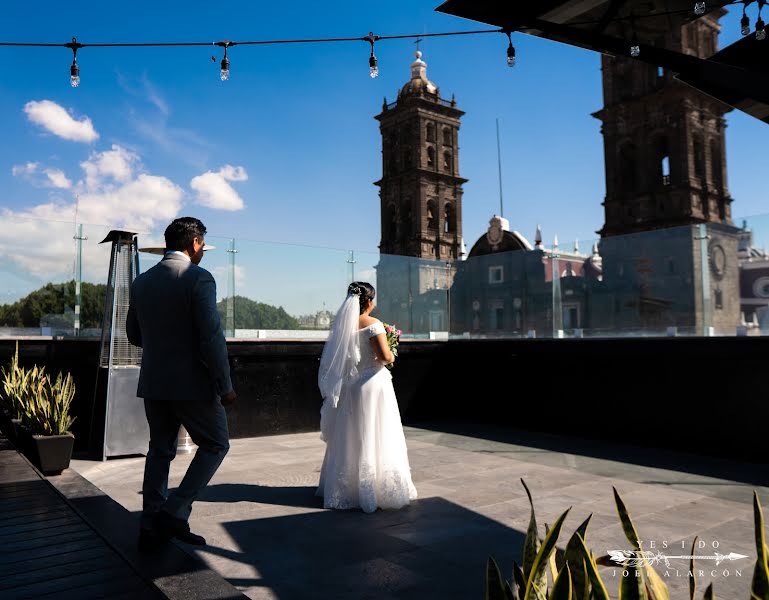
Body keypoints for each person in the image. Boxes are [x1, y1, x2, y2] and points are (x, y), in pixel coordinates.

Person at [126, 216, 237, 550]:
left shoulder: (142, 281)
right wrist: (224, 384)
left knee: (159, 450)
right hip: (193, 385)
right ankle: (174, 512)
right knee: (217, 444)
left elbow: (134, 335)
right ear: (195, 243)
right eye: (202, 244)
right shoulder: (199, 279)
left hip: (155, 382)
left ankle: (151, 522)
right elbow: (212, 338)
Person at [316, 281, 417, 513]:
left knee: (352, 435)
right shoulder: (373, 324)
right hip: (373, 385)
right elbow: (385, 357)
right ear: (369, 301)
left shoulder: (343, 326)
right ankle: (374, 489)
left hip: (351, 386)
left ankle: (347, 488)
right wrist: (392, 350)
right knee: (378, 432)